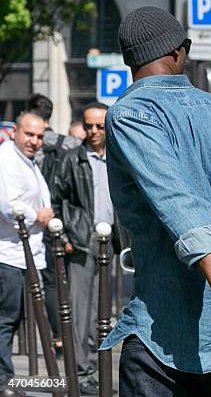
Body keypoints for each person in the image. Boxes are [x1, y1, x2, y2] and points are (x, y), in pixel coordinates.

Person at [99, 6, 211, 397]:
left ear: (128, 60)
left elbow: (179, 203)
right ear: (181, 51)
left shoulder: (128, 115)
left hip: (164, 330)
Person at [50, 102, 113, 395]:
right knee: (81, 312)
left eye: (99, 126)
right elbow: (55, 200)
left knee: (105, 312)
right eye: (89, 126)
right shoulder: (72, 159)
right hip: (82, 244)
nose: (93, 131)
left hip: (112, 245)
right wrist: (64, 237)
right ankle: (82, 372)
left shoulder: (119, 157)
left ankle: (100, 368)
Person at [0, 112, 52, 397]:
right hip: (8, 255)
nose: (34, 141)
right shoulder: (6, 159)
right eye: (29, 134)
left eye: (40, 136)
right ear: (15, 132)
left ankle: (7, 378)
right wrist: (39, 215)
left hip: (25, 255)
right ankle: (3, 380)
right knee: (5, 321)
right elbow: (9, 207)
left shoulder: (25, 161)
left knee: (14, 320)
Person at [26, 93, 81, 356]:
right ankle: (75, 334)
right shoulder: (69, 143)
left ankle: (59, 338)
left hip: (42, 219)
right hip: (71, 219)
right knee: (72, 279)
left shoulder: (28, 147)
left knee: (48, 281)